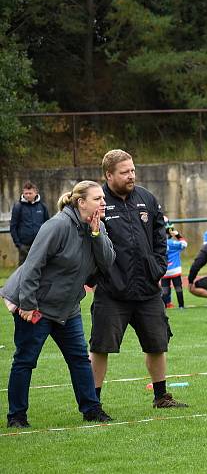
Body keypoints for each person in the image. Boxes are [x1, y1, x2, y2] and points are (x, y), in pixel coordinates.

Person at [1, 181, 114, 428]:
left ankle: (92, 409)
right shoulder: (57, 225)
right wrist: (28, 304)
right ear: (80, 202)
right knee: (25, 360)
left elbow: (107, 262)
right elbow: (32, 266)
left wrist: (96, 235)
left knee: (79, 360)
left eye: (103, 198)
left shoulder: (98, 228)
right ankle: (16, 417)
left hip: (67, 308)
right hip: (37, 306)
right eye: (97, 198)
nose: (103, 202)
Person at [89, 149, 187, 409]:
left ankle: (161, 397)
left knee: (157, 343)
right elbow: (86, 241)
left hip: (147, 289)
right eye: (125, 172)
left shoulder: (146, 198)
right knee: (100, 347)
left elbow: (159, 235)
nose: (131, 175)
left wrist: (158, 267)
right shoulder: (96, 201)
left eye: (133, 170)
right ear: (109, 175)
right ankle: (92, 403)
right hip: (112, 291)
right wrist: (98, 275)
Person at [10, 181, 50, 266]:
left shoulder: (42, 206)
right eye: (26, 193)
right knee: (23, 271)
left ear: (35, 193)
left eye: (30, 193)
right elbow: (13, 227)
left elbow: (48, 225)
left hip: (40, 244)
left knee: (41, 268)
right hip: (24, 246)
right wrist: (19, 245)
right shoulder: (18, 207)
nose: (27, 195)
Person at [162, 222, 187, 309]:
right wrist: (178, 235)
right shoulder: (173, 243)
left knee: (165, 290)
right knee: (178, 288)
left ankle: (165, 306)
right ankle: (181, 306)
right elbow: (184, 244)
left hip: (164, 270)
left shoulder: (159, 243)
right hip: (175, 269)